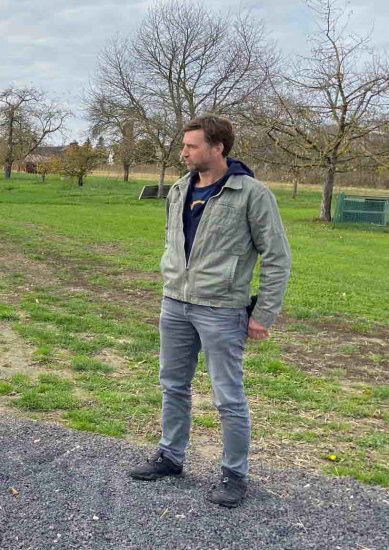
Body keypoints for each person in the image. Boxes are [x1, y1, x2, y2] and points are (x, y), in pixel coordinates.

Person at [129, 115, 291, 507]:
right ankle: (170, 456)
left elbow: (277, 257)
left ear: (217, 148)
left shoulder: (252, 194)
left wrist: (262, 314)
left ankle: (235, 474)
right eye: (184, 145)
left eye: (192, 146)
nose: (183, 152)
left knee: (228, 397)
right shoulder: (180, 188)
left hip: (221, 309)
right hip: (176, 303)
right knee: (173, 385)